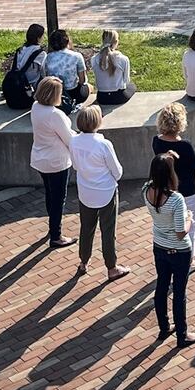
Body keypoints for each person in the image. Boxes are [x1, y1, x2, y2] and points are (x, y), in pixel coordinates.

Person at [146, 154, 195, 347]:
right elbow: (180, 233)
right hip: (179, 251)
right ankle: (182, 334)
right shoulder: (176, 199)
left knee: (161, 286)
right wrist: (189, 219)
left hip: (159, 245)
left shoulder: (147, 191)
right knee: (179, 292)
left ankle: (164, 327)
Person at [70, 105, 128, 280]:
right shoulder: (104, 144)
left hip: (85, 192)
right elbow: (117, 171)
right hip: (106, 193)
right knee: (108, 231)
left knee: (86, 229)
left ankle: (83, 262)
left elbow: (74, 165)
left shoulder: (73, 141)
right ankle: (111, 267)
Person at [153, 102, 195, 269]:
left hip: (168, 191)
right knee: (190, 225)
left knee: (171, 225)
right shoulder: (185, 146)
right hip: (187, 191)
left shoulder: (156, 142)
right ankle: (188, 261)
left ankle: (171, 254)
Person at [29, 77, 77, 248]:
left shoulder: (36, 107)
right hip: (57, 162)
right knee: (58, 199)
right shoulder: (55, 115)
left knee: (50, 194)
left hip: (40, 159)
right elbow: (69, 138)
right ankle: (56, 235)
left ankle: (52, 228)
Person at [42, 29, 89, 111]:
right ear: (67, 41)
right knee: (88, 87)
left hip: (54, 93)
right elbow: (82, 80)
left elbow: (44, 76)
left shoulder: (47, 57)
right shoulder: (77, 56)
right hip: (73, 92)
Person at [4, 24, 47, 110]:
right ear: (38, 38)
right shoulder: (41, 54)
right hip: (30, 86)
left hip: (17, 82)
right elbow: (43, 73)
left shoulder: (20, 50)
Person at [90, 29, 131, 106]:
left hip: (102, 97)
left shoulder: (94, 59)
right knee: (132, 86)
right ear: (116, 42)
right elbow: (126, 80)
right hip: (118, 97)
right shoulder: (123, 59)